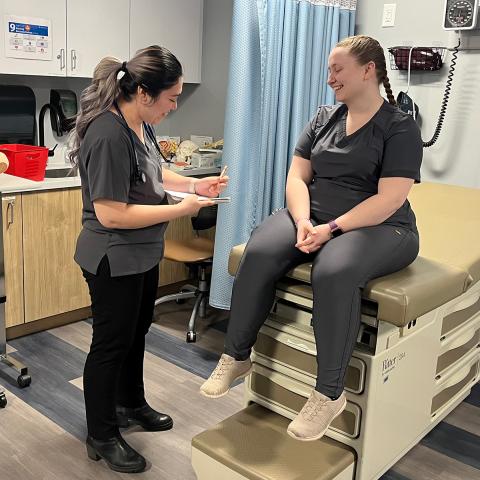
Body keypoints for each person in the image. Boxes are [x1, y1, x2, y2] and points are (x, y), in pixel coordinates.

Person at [200, 35, 422, 442]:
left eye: (337, 69)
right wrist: (303, 221)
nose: (330, 78)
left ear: (367, 70)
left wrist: (331, 230)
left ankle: (328, 393)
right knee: (262, 248)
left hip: (382, 227)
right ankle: (236, 355)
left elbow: (390, 198)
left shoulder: (399, 127)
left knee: (333, 271)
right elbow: (297, 176)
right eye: (328, 69)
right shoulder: (324, 118)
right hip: (313, 215)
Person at [69, 45, 227, 473]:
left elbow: (157, 174)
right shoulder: (107, 132)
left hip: (140, 255)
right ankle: (100, 434)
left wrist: (198, 186)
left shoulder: (139, 124)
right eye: (171, 97)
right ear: (142, 92)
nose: (174, 105)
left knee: (136, 334)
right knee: (110, 345)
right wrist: (180, 210)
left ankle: (131, 403)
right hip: (112, 258)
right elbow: (111, 213)